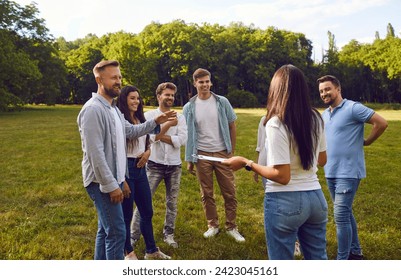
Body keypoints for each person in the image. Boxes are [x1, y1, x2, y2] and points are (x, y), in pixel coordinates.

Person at [223, 64, 328, 260]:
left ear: (276, 89)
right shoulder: (316, 117)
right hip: (316, 199)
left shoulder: (276, 122)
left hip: (284, 201)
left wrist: (247, 163)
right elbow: (322, 160)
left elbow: (282, 176)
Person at [77, 60, 176, 260]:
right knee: (117, 233)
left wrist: (155, 122)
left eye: (119, 77)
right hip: (101, 182)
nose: (118, 81)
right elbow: (95, 153)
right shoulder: (93, 110)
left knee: (106, 231)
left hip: (114, 178)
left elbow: (130, 131)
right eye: (113, 77)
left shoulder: (112, 109)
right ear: (99, 79)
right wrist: (112, 184)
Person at [317, 75, 388, 260]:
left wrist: (367, 142)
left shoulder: (353, 108)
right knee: (345, 214)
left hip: (348, 172)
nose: (324, 93)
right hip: (330, 171)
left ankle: (343, 260)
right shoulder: (324, 115)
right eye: (321, 91)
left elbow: (381, 123)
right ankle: (355, 253)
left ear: (338, 89)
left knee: (340, 216)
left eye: (327, 89)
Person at [183, 68, 245, 243]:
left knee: (229, 192)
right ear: (195, 83)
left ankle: (232, 227)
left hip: (222, 153)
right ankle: (213, 225)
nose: (204, 85)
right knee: (206, 193)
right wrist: (190, 159)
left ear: (211, 82)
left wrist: (231, 150)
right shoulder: (189, 107)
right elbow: (189, 134)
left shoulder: (221, 102)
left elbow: (232, 124)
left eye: (207, 81)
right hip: (201, 155)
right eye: (201, 82)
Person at [116, 85, 171, 260]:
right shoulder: (120, 120)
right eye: (132, 98)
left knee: (147, 211)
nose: (136, 101)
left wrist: (147, 152)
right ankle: (128, 252)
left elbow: (149, 139)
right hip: (127, 168)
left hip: (141, 170)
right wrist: (157, 121)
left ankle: (151, 250)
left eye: (138, 98)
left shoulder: (140, 118)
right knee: (126, 214)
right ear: (124, 99)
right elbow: (133, 134)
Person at [130, 82, 187, 249]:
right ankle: (133, 235)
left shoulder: (181, 117)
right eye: (166, 94)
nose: (170, 97)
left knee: (172, 203)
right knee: (143, 201)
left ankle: (169, 234)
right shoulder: (148, 116)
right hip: (154, 165)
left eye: (172, 95)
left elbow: (181, 140)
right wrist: (168, 126)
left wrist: (158, 135)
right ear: (159, 96)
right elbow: (148, 139)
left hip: (174, 166)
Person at [254, 115, 302, 257]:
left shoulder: (287, 121)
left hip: (281, 168)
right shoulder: (263, 119)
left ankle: (296, 241)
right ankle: (281, 240)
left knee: (290, 207)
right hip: (265, 168)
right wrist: (256, 167)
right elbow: (260, 145)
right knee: (276, 207)